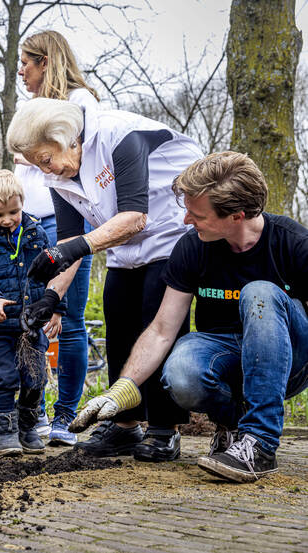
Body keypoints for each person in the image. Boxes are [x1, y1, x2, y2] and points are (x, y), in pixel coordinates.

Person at [71, 152, 308, 482]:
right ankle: (234, 427)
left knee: (260, 293)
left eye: (197, 215)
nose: (185, 220)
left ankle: (260, 444)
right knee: (180, 372)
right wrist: (121, 390)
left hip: (291, 360)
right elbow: (161, 330)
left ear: (237, 216)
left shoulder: (294, 243)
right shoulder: (192, 246)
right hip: (226, 355)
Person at [6, 97, 203, 462]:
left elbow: (135, 216)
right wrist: (51, 298)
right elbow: (68, 241)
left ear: (67, 137)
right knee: (118, 318)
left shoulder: (119, 135)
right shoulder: (58, 172)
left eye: (45, 159)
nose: (44, 169)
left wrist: (74, 248)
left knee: (154, 319)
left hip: (168, 231)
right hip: (122, 245)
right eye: (36, 163)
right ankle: (125, 424)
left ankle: (165, 428)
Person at [14, 30, 99, 446]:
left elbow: (75, 168)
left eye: (26, 64)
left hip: (64, 223)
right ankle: (36, 413)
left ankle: (66, 416)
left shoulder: (80, 103)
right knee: (30, 318)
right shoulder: (30, 109)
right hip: (25, 222)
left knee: (68, 319)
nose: (21, 72)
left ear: (45, 61)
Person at [0, 170, 67, 456]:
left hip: (31, 327)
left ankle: (27, 428)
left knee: (35, 380)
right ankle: (6, 432)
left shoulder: (36, 232)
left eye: (14, 211)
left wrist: (57, 309)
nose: (7, 219)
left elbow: (53, 273)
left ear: (22, 204)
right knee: (7, 378)